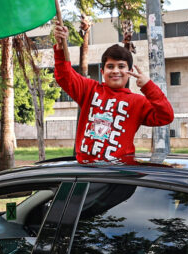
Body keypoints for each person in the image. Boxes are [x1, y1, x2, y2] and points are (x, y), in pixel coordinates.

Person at [51, 16, 174, 163]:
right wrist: (60, 46)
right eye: (110, 66)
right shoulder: (89, 89)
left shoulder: (138, 102)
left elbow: (166, 116)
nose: (115, 71)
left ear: (130, 71)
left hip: (119, 175)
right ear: (102, 72)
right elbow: (65, 76)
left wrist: (148, 87)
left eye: (121, 66)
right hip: (85, 171)